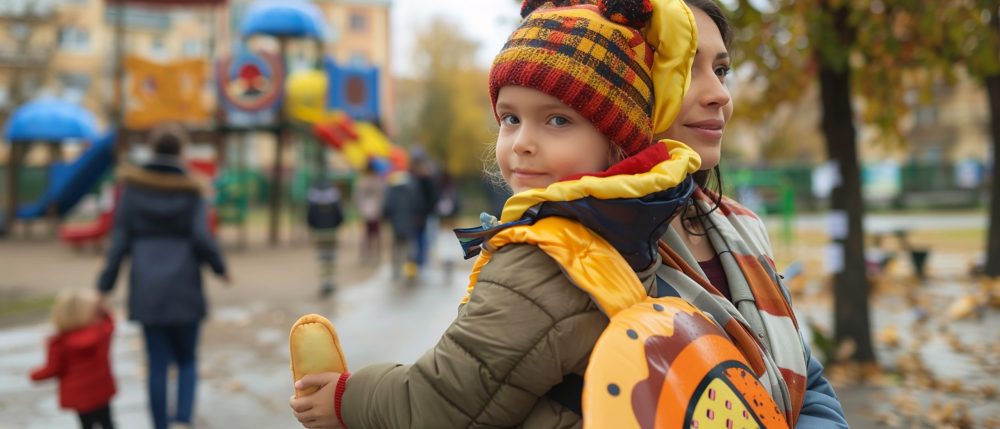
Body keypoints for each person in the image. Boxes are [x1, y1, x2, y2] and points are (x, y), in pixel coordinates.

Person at [289, 0, 701, 427]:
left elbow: (438, 406)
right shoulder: (625, 226)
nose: (522, 141)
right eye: (511, 118)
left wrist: (343, 396)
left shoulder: (545, 260)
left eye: (558, 120)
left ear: (616, 143)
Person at [650, 0, 849, 427]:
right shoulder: (580, 253)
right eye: (685, 68)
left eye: (721, 70)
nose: (721, 94)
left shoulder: (744, 228)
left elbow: (807, 384)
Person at [96, 130, 230, 429]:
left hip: (146, 284)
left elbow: (119, 241)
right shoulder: (191, 188)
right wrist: (220, 269)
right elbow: (201, 237)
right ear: (182, 152)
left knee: (157, 362)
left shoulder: (132, 188)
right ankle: (183, 419)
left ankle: (159, 425)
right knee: (187, 359)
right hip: (184, 282)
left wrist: (104, 285)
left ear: (151, 150)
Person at [29, 288, 116, 429]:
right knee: (107, 422)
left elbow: (52, 369)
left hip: (79, 397)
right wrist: (102, 309)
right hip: (101, 391)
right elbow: (110, 321)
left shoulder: (58, 343)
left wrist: (34, 375)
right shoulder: (101, 334)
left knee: (86, 424)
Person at [307, 180, 346, 297]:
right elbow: (340, 217)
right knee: (331, 257)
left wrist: (315, 228)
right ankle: (330, 281)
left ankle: (324, 282)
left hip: (320, 233)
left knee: (322, 258)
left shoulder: (314, 200)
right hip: (332, 232)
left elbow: (310, 218)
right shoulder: (334, 199)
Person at [352, 161, 385, 264]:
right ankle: (367, 255)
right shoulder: (364, 181)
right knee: (367, 234)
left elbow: (381, 196)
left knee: (374, 234)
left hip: (374, 210)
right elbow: (358, 197)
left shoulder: (376, 181)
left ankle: (374, 255)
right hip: (367, 210)